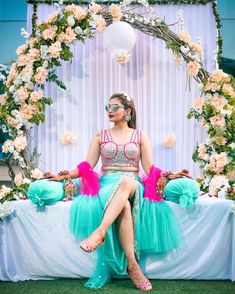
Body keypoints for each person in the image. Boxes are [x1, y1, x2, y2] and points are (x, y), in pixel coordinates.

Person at [46, 92, 191, 291]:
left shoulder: (140, 136)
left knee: (126, 182)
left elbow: (149, 168)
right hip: (106, 186)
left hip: (132, 184)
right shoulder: (100, 135)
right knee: (122, 204)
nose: (110, 111)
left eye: (115, 107)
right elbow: (87, 166)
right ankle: (132, 265)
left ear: (128, 111)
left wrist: (171, 175)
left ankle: (100, 232)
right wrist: (63, 176)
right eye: (108, 107)